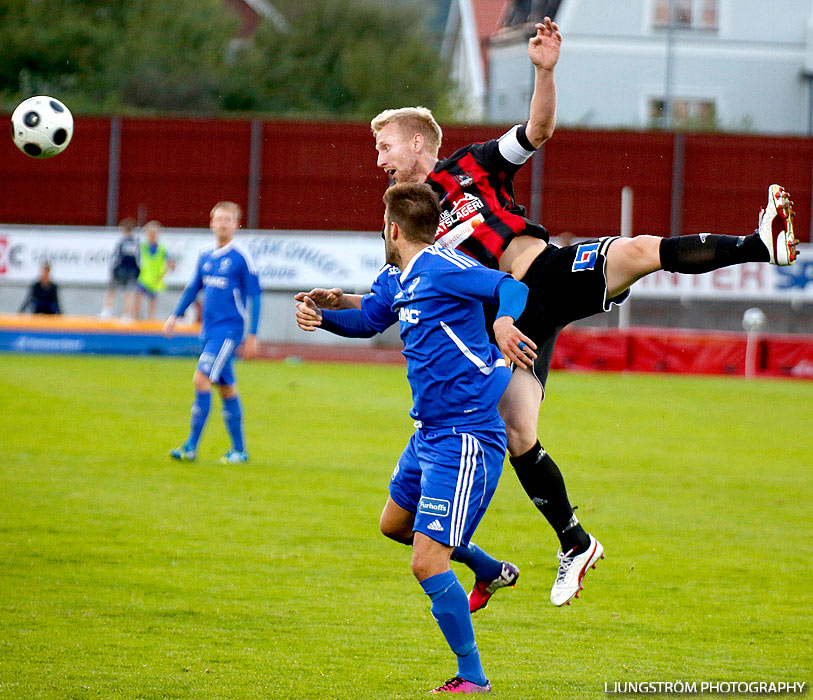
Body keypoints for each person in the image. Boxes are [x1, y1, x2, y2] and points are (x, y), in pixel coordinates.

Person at [299, 17, 800, 607]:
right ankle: (574, 541)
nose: (377, 157)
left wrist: (544, 69)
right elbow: (393, 295)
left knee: (639, 250)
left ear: (415, 143)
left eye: (383, 145)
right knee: (517, 433)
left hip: (544, 277)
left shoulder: (471, 166)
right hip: (511, 328)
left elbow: (537, 129)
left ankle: (762, 243)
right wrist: (338, 305)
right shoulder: (407, 220)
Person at [297, 182, 533, 693]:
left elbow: (511, 287)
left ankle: (473, 676)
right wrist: (324, 316)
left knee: (426, 561)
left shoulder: (443, 267)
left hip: (467, 434)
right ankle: (487, 568)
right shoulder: (397, 276)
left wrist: (506, 321)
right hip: (427, 433)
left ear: (393, 228)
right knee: (394, 525)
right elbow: (368, 319)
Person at [163, 201, 261, 465]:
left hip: (229, 330)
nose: (223, 223)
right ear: (211, 223)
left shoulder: (241, 256)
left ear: (236, 224)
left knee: (201, 378)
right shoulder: (205, 254)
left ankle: (190, 447)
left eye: (228, 219)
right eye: (219, 219)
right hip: (209, 330)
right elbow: (194, 286)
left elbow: (255, 296)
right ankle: (239, 451)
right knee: (227, 388)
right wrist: (175, 315)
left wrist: (252, 335)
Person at [100, 217, 140, 321]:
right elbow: (139, 259)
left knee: (112, 290)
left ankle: (107, 310)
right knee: (128, 293)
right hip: (132, 271)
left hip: (120, 269)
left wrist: (112, 271)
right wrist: (139, 271)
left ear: (123, 229)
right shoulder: (137, 242)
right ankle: (126, 314)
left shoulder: (121, 241)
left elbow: (116, 257)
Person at [136, 221, 174, 320]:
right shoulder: (142, 246)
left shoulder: (162, 248)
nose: (151, 236)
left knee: (152, 299)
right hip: (144, 277)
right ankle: (137, 316)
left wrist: (162, 274)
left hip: (156, 279)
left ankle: (150, 318)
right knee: (138, 295)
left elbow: (171, 263)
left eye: (153, 233)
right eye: (149, 233)